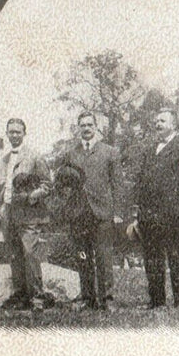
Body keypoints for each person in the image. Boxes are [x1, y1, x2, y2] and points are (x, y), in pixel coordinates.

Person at [131, 109, 179, 310]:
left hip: (174, 214)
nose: (158, 124)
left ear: (173, 124)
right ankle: (156, 301)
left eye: (162, 120)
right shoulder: (149, 150)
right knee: (152, 259)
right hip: (150, 215)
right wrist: (139, 212)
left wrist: (178, 200)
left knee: (176, 257)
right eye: (156, 121)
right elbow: (142, 182)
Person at [57, 111, 122, 310]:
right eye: (82, 125)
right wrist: (68, 204)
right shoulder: (71, 153)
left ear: (95, 127)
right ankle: (87, 298)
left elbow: (117, 184)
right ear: (78, 128)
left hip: (102, 213)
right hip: (79, 215)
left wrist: (117, 212)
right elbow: (61, 183)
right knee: (83, 257)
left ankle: (107, 299)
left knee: (103, 257)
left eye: (89, 125)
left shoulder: (110, 152)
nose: (86, 128)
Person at [0, 118, 52, 311]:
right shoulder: (3, 159)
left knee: (29, 253)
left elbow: (47, 185)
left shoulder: (34, 156)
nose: (14, 135)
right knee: (14, 255)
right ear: (7, 133)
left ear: (24, 133)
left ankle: (37, 296)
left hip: (28, 214)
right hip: (9, 213)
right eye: (11, 132)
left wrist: (32, 197)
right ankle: (19, 295)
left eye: (18, 132)